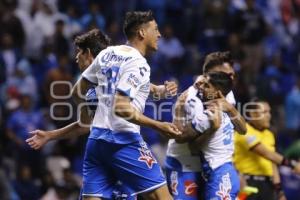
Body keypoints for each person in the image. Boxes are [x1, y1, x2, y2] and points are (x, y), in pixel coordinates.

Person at [27, 25, 178, 199]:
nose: (76, 58)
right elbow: (86, 125)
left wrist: (159, 90)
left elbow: (85, 123)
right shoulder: (111, 72)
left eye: (79, 52)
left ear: (89, 53)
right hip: (117, 149)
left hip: (112, 146)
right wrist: (50, 135)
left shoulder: (92, 88)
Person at [165, 51, 246, 200]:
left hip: (210, 166)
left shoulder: (226, 93)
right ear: (208, 73)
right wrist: (177, 110)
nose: (231, 78)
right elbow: (183, 138)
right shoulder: (193, 98)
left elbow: (242, 129)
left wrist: (229, 108)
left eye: (232, 75)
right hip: (185, 163)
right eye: (227, 74)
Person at [233, 98, 300, 200]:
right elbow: (266, 153)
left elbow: (272, 163)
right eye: (264, 112)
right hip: (247, 184)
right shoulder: (244, 131)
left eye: (269, 112)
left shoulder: (269, 134)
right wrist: (293, 164)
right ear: (252, 115)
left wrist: (280, 192)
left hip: (268, 185)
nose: (269, 115)